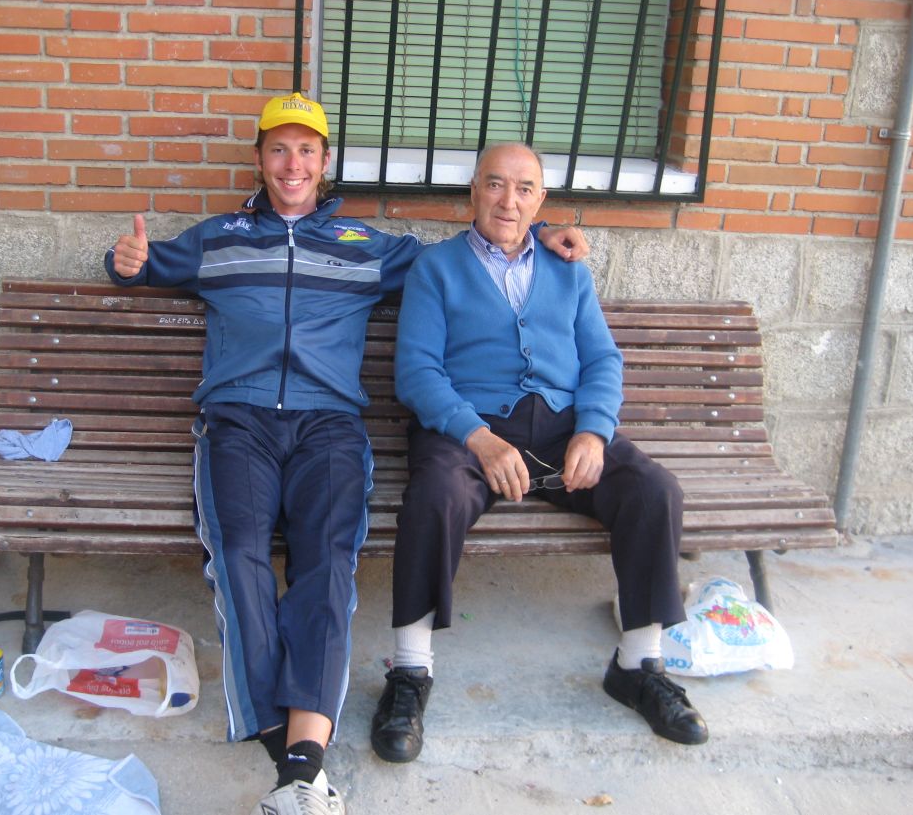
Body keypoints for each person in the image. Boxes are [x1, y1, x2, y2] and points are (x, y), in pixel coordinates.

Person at [105, 95, 589, 814]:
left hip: (329, 427)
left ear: (325, 161)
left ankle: (299, 764)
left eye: (306, 150)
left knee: (327, 561)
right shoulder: (219, 238)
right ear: (260, 159)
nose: (292, 164)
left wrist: (542, 229)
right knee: (237, 552)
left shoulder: (369, 245)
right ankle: (293, 755)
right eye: (278, 149)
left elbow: (481, 244)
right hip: (238, 423)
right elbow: (144, 265)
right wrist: (125, 263)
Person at [370, 142, 709, 766]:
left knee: (653, 490)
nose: (509, 200)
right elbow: (417, 373)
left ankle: (638, 663)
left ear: (541, 200)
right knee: (435, 496)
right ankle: (410, 672)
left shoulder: (569, 270)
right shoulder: (436, 269)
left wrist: (594, 431)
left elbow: (602, 359)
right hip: (468, 431)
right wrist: (478, 437)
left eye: (524, 188)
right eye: (495, 184)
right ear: (473, 191)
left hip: (561, 432)